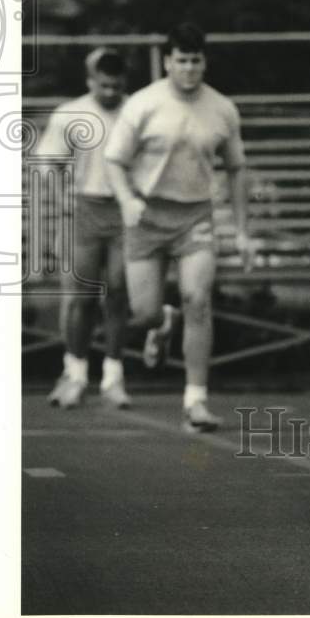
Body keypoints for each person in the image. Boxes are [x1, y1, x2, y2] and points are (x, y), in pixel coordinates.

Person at [104, 22, 253, 432]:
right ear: (168, 62)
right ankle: (162, 323)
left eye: (195, 61)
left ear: (204, 63)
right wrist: (127, 200)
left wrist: (242, 232)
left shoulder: (222, 109)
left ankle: (196, 400)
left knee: (198, 300)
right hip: (147, 216)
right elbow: (114, 160)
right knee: (144, 312)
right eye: (182, 60)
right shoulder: (143, 104)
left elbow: (237, 169)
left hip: (195, 217)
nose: (189, 69)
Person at [39, 47, 132, 409]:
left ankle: (113, 377)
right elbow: (47, 163)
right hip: (83, 208)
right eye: (103, 85)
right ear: (90, 80)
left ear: (124, 83)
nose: (110, 92)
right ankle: (74, 375)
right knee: (81, 297)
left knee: (119, 294)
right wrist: (61, 200)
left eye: (116, 86)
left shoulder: (137, 112)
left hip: (124, 210)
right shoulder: (70, 114)